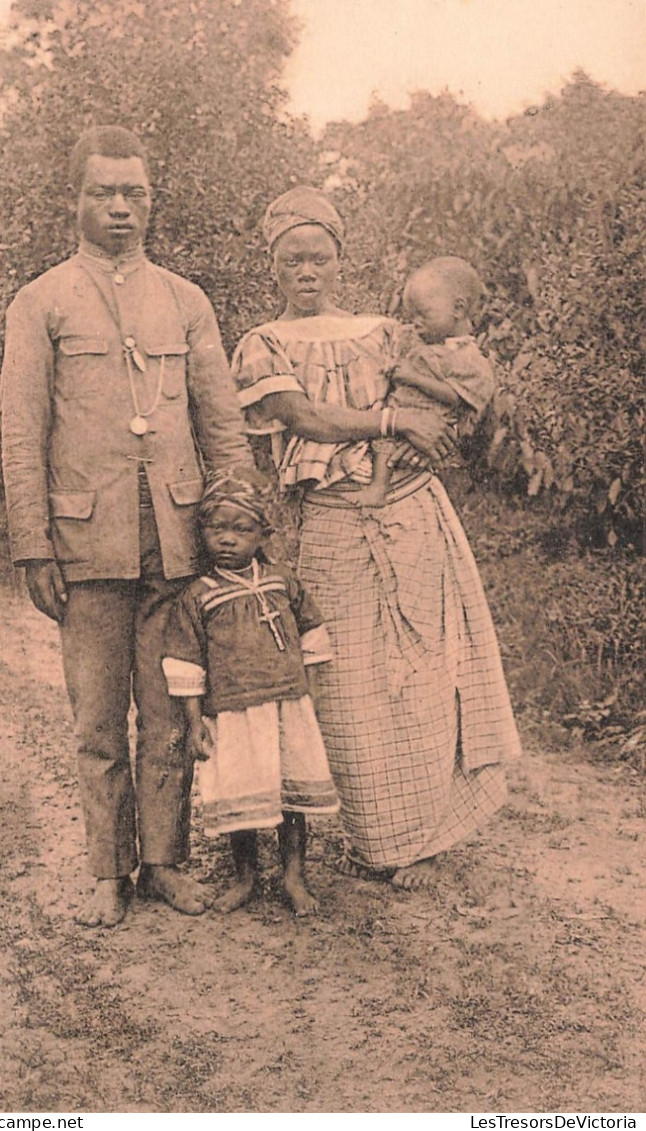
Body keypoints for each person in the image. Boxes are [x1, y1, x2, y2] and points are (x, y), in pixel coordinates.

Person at [231, 186, 522, 890]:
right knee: (349, 678)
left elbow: (445, 398)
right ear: (273, 267)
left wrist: (428, 445)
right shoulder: (260, 345)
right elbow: (304, 416)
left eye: (320, 256)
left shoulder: (385, 331)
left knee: (422, 670)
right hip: (331, 519)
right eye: (293, 258)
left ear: (340, 260)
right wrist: (392, 427)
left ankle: (423, 834)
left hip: (413, 513)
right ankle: (376, 836)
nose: (308, 271)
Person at [0, 126, 253, 927]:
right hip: (85, 544)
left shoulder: (185, 300)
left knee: (173, 712)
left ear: (152, 199)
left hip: (178, 543)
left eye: (134, 193)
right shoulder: (41, 301)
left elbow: (223, 424)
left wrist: (239, 518)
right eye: (103, 192)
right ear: (73, 199)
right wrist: (33, 543)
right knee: (99, 720)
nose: (120, 208)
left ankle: (167, 862)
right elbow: (22, 431)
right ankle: (108, 872)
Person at [161, 470, 339, 916]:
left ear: (263, 533)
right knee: (245, 796)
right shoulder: (199, 596)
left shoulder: (282, 581)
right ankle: (245, 877)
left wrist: (310, 697)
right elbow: (185, 664)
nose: (228, 539)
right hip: (234, 715)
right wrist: (194, 721)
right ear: (201, 531)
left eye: (241, 529)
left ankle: (293, 877)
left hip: (287, 707)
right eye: (217, 527)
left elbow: (313, 634)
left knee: (290, 796)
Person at [356, 256, 494, 508]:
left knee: (400, 455)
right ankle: (381, 488)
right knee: (384, 444)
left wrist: (413, 378)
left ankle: (380, 490)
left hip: (433, 420)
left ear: (458, 309)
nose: (416, 323)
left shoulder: (469, 359)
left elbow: (457, 396)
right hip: (402, 414)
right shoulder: (419, 339)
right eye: (412, 315)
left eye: (424, 314)